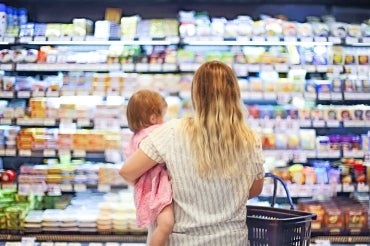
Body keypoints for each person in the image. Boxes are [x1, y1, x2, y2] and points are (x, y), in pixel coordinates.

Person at [120, 61, 265, 246]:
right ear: (235, 94)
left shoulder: (171, 132)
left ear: (196, 95)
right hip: (232, 240)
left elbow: (128, 172)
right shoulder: (250, 138)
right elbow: (255, 189)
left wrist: (163, 189)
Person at [124, 89, 174, 246]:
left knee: (159, 225)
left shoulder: (136, 137)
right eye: (162, 117)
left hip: (148, 189)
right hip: (157, 189)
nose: (164, 122)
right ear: (153, 118)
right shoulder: (153, 133)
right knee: (166, 224)